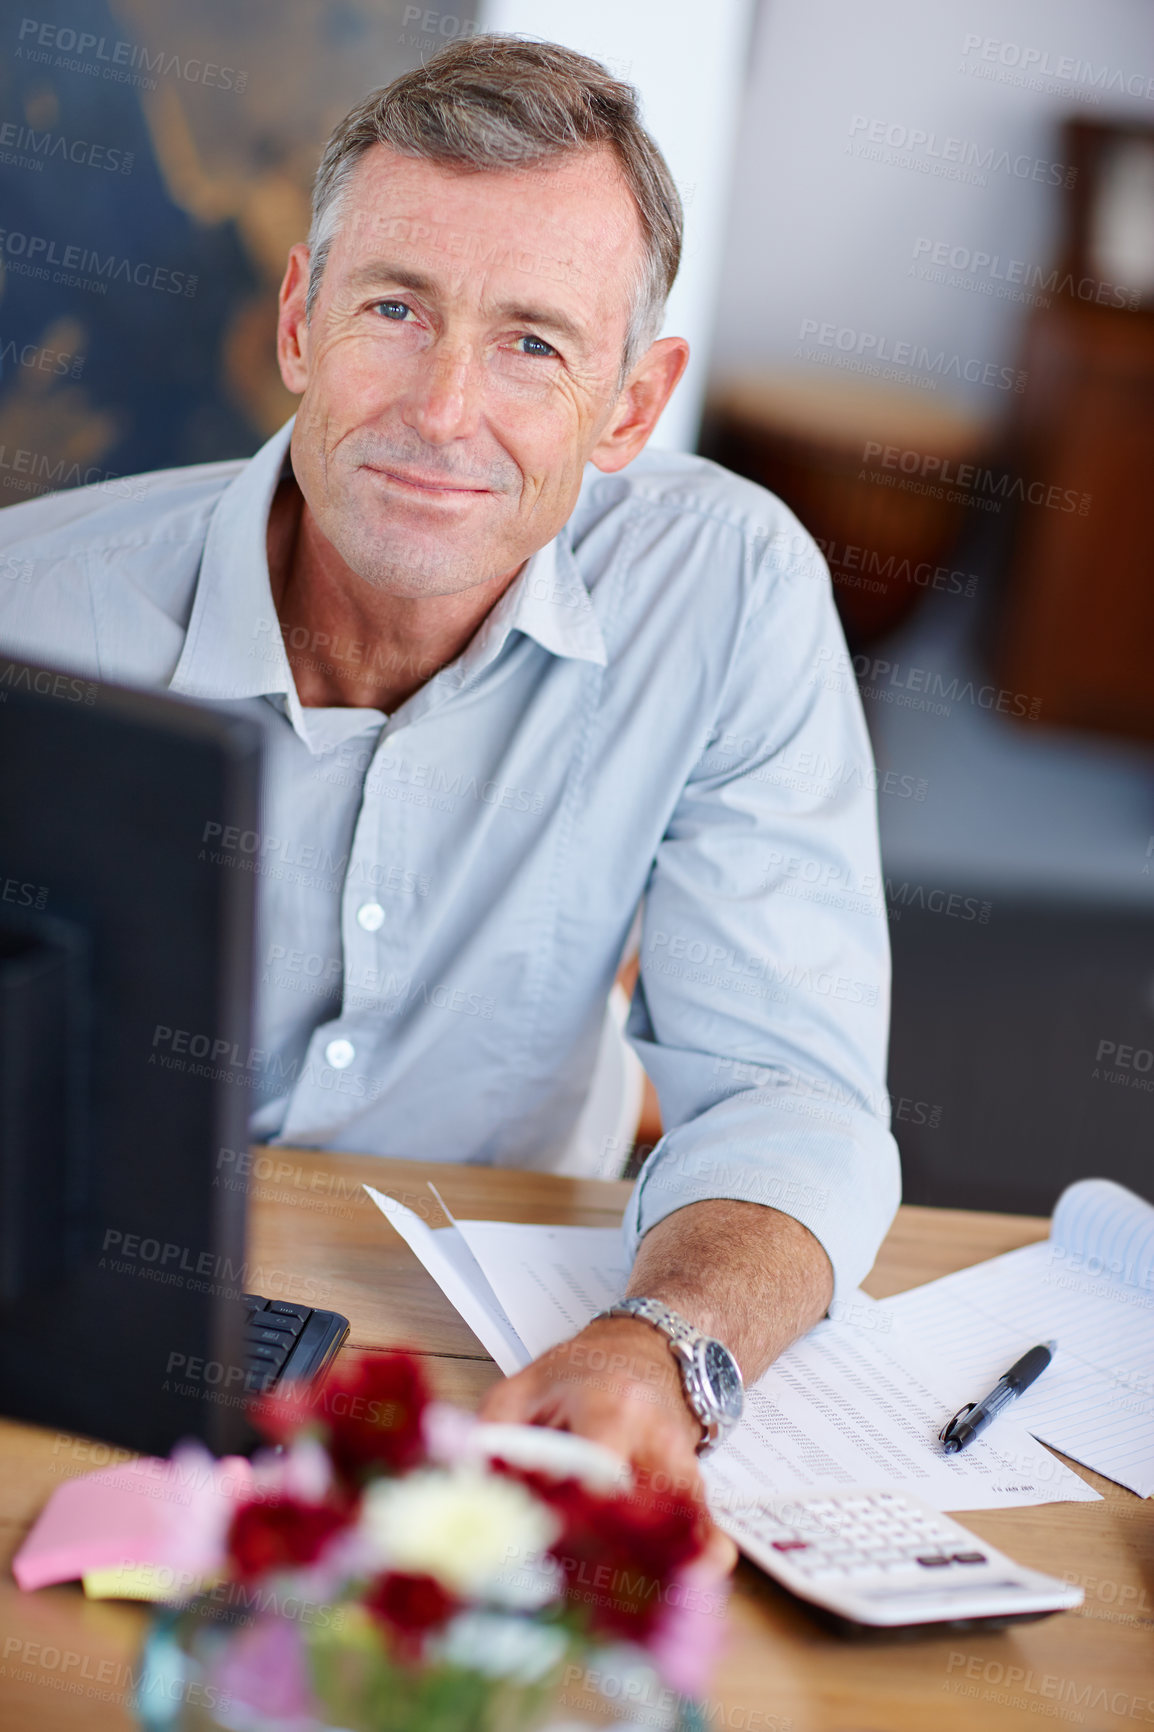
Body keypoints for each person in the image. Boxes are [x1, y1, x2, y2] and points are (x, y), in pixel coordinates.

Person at [0, 35, 899, 1565]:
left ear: (632, 406)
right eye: (395, 310)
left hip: (517, 1350)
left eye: (535, 344)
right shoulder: (32, 620)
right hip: (87, 1331)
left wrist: (666, 1345)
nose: (439, 408)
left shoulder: (729, 590)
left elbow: (790, 1095)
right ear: (301, 317)